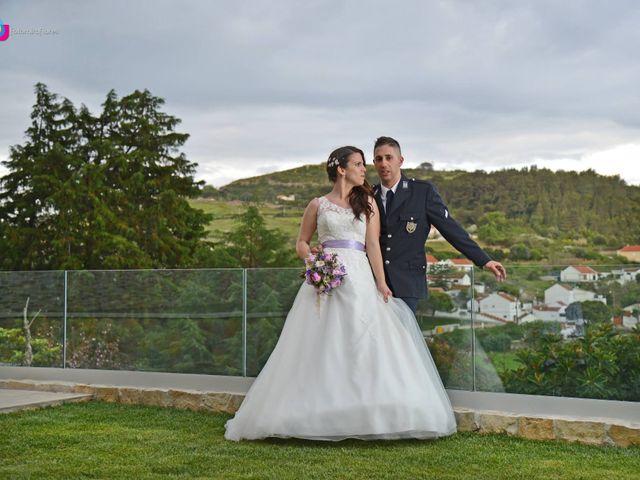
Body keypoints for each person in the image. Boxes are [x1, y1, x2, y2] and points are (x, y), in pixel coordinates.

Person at [224, 146, 457, 441]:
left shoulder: (368, 202)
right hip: (324, 281)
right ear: (342, 169)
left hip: (359, 278)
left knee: (361, 341)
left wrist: (382, 283)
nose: (365, 169)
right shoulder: (317, 205)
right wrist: (314, 262)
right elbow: (301, 242)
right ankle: (313, 409)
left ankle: (365, 410)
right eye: (359, 164)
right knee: (319, 344)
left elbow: (372, 246)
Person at [372, 136, 506, 313]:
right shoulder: (368, 195)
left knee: (402, 338)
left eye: (389, 158)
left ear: (400, 160)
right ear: (374, 163)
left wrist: (484, 260)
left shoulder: (422, 192)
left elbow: (451, 229)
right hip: (372, 281)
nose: (384, 164)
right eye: (379, 159)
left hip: (407, 283)